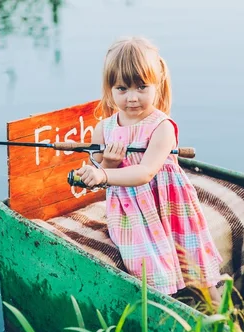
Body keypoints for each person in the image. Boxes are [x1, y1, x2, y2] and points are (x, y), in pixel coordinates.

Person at [75, 36, 222, 303]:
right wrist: (105, 166)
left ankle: (221, 316)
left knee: (194, 261)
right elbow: (102, 174)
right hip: (130, 210)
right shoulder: (103, 129)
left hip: (167, 203)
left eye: (141, 87)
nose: (132, 98)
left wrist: (105, 174)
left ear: (158, 84)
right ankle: (167, 310)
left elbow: (145, 173)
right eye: (122, 89)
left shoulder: (162, 127)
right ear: (109, 89)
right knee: (149, 267)